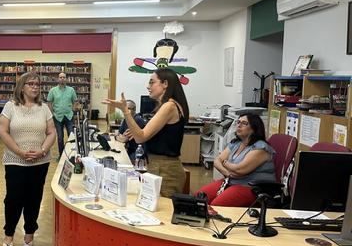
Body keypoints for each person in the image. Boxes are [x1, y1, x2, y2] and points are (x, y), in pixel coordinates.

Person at [103, 68, 189, 197]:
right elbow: (143, 134)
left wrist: (125, 111)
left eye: (152, 82)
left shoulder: (169, 106)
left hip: (166, 170)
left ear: (165, 84)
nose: (148, 86)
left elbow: (140, 137)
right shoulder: (168, 105)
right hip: (159, 166)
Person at [0, 71, 56, 246]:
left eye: (38, 84)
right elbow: (3, 131)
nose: (35, 87)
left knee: (34, 198)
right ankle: (9, 234)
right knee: (13, 199)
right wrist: (19, 151)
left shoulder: (44, 108)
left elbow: (52, 132)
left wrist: (43, 150)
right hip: (15, 161)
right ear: (22, 87)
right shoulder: (10, 106)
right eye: (31, 84)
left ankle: (29, 232)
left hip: (40, 162)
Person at [196, 114, 275, 207]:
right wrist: (228, 172)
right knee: (198, 198)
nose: (239, 125)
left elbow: (240, 170)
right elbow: (217, 161)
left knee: (217, 206)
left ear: (254, 128)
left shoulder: (260, 148)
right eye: (238, 122)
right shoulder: (236, 143)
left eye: (244, 123)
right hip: (230, 181)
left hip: (250, 187)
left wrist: (225, 163)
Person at [46, 72, 78, 158]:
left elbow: (75, 101)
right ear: (58, 79)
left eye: (64, 77)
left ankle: (72, 155)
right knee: (60, 138)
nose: (62, 79)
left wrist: (73, 109)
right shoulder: (53, 90)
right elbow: (49, 102)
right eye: (60, 77)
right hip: (57, 117)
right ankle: (61, 156)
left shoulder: (71, 90)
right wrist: (52, 113)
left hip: (69, 116)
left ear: (66, 79)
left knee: (71, 136)